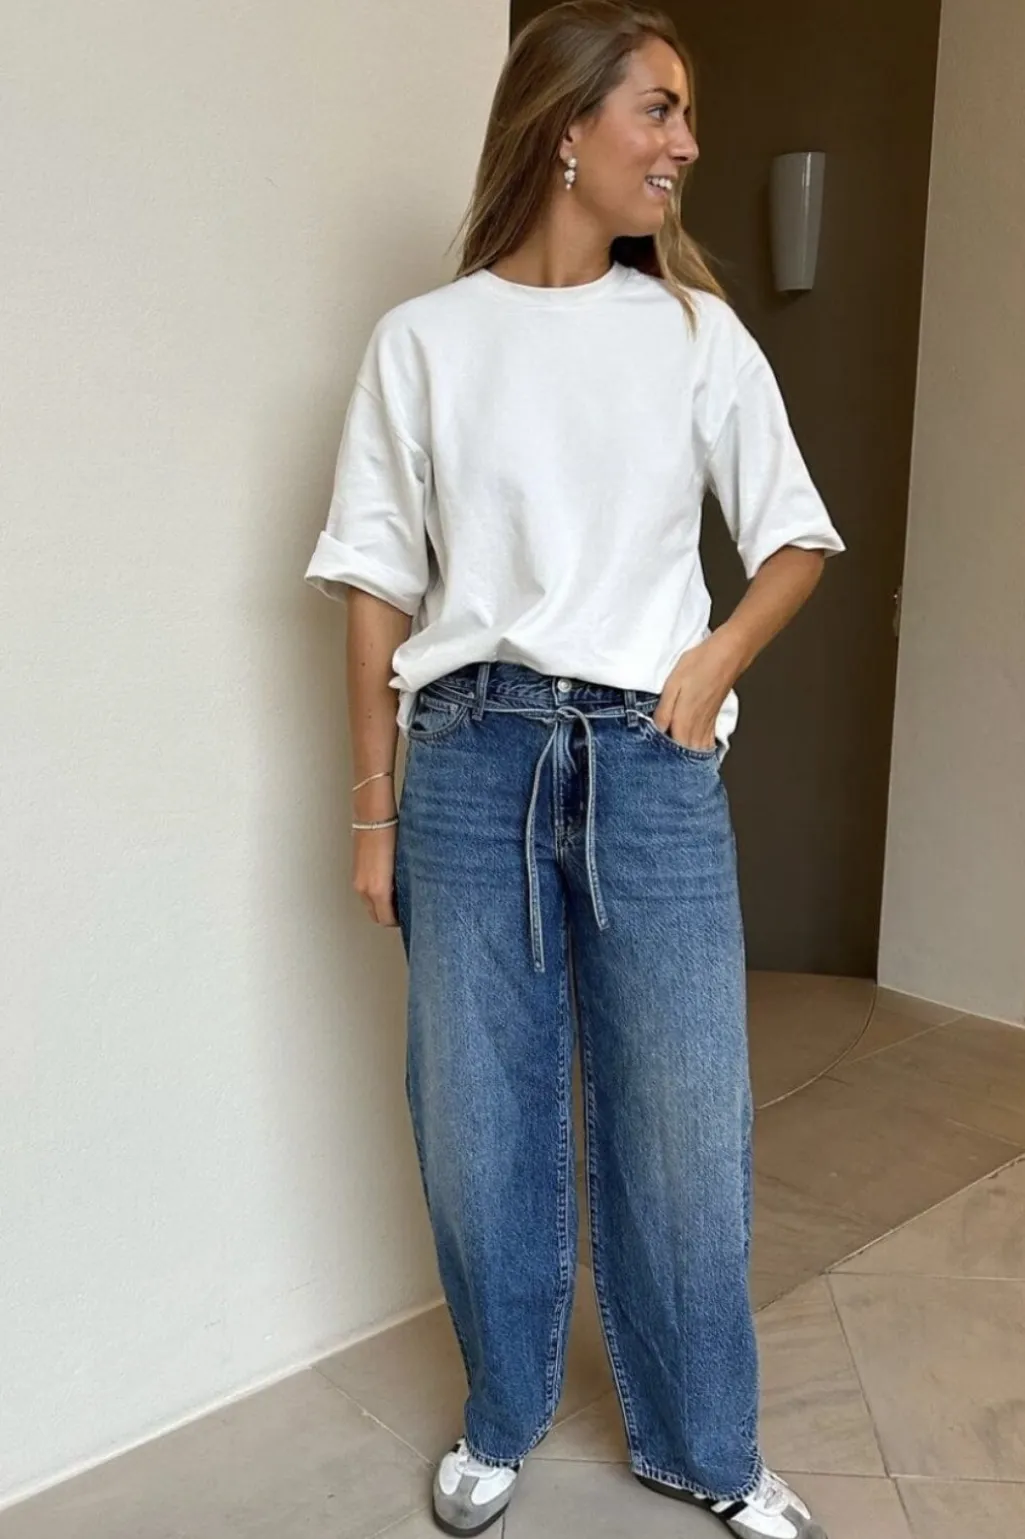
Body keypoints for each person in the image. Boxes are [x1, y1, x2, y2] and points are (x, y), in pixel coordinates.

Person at [305, 5, 843, 1536]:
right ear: (566, 127)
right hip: (467, 758)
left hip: (651, 764)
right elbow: (373, 584)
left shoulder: (694, 334)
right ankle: (502, 1411)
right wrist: (369, 811)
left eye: (685, 115)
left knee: (684, 1119)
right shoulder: (423, 342)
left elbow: (796, 537)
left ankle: (708, 1445)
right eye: (659, 110)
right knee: (477, 1113)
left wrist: (713, 662)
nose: (686, 144)